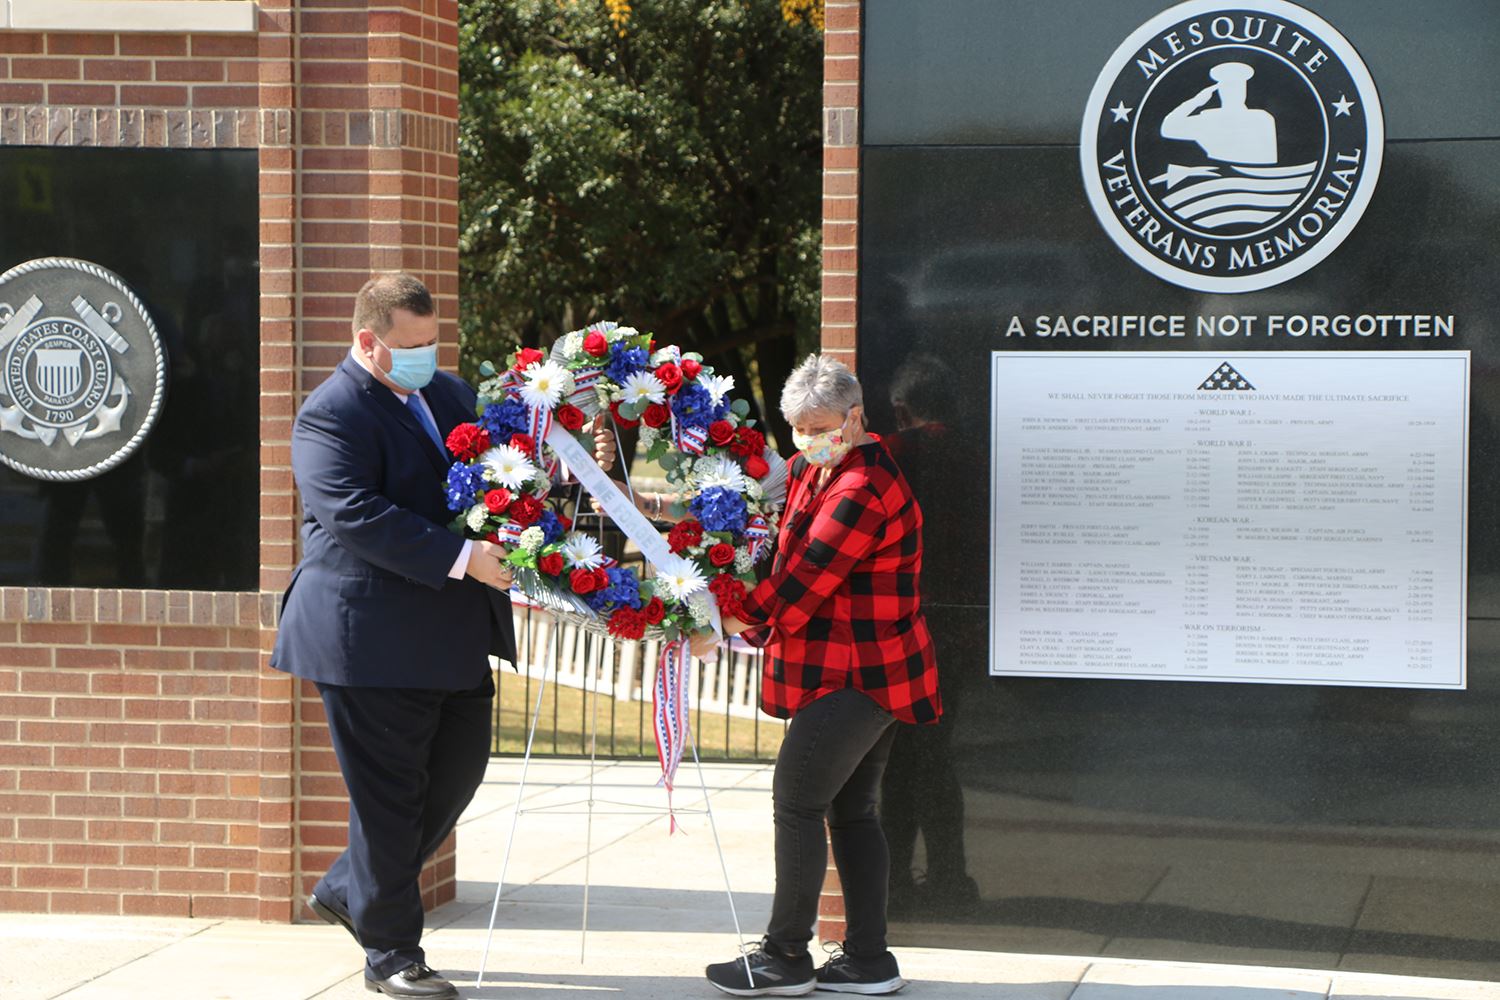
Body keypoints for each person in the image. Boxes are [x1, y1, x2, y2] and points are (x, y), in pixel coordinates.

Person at [270, 274, 613, 998]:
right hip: (369, 638)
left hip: (450, 635)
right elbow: (356, 513)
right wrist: (465, 557)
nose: (431, 356)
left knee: (455, 776)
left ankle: (348, 887)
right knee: (390, 800)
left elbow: (500, 471)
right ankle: (392, 955)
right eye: (415, 345)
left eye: (434, 341)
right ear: (370, 341)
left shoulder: (450, 395)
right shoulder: (330, 415)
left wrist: (555, 475)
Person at [686, 354, 943, 997]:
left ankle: (784, 957)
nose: (806, 441)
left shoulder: (862, 486)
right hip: (860, 671)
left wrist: (720, 622)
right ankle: (867, 962)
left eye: (819, 427)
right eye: (797, 428)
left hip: (861, 674)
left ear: (855, 418)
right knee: (852, 811)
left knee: (797, 801)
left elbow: (800, 585)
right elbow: (772, 538)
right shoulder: (813, 467)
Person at [879, 355, 980, 915]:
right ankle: (949, 875)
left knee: (899, 763)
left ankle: (894, 882)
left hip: (900, 628)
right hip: (961, 626)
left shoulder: (892, 458)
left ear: (900, 410)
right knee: (938, 757)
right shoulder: (976, 454)